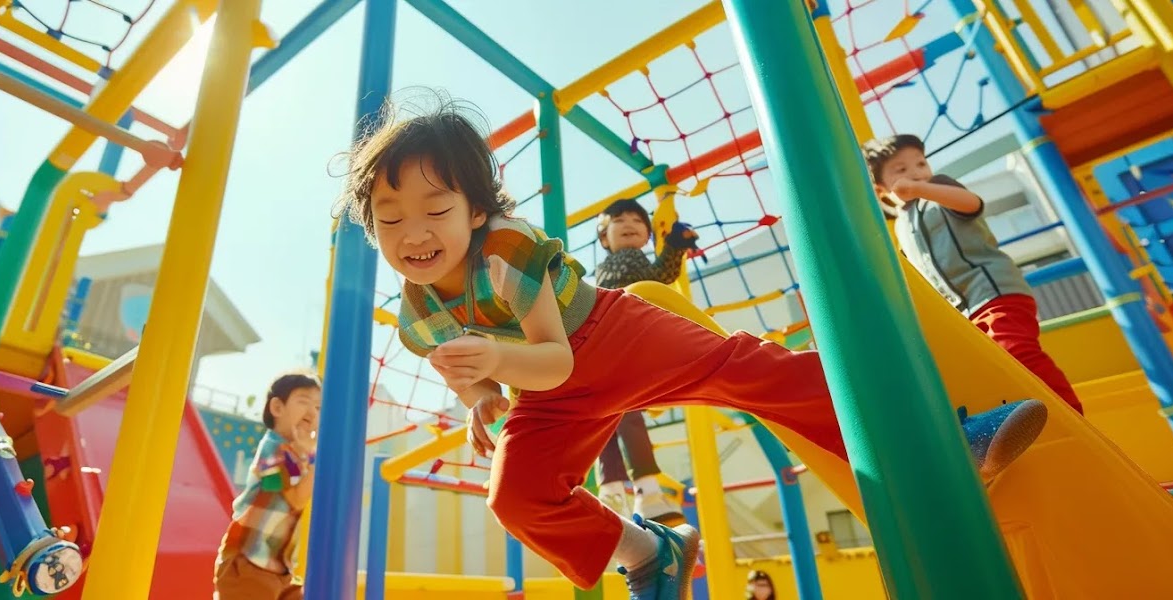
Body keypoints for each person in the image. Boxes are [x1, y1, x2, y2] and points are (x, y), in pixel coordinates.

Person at [335, 94, 1046, 600]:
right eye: (389, 218)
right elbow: (481, 382)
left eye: (435, 211)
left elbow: (556, 355)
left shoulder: (508, 251)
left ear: (477, 212)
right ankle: (651, 552)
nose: (413, 234)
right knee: (516, 496)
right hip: (546, 395)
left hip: (606, 336)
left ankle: (938, 440)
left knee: (749, 371)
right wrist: (484, 399)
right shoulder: (417, 314)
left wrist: (494, 365)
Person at [863, 134, 1083, 413]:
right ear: (881, 189)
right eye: (901, 170)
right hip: (962, 313)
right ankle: (1014, 416)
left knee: (1013, 349)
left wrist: (921, 189)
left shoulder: (938, 188)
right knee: (976, 370)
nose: (916, 173)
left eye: (920, 163)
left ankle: (1069, 411)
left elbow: (971, 204)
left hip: (993, 292)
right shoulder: (901, 225)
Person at [590, 197, 699, 525]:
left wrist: (676, 245)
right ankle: (613, 491)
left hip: (625, 343)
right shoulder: (601, 270)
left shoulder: (635, 259)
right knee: (604, 418)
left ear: (647, 237)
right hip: (603, 344)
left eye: (638, 222)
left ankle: (644, 490)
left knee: (623, 414)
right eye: (619, 220)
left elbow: (660, 276)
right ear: (604, 237)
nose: (629, 224)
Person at [214, 372, 322, 600]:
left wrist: (310, 456)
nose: (312, 412)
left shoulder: (294, 455)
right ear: (277, 408)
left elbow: (299, 486)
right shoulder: (274, 449)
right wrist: (316, 458)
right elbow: (295, 498)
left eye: (319, 407)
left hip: (277, 570)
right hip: (247, 564)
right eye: (304, 401)